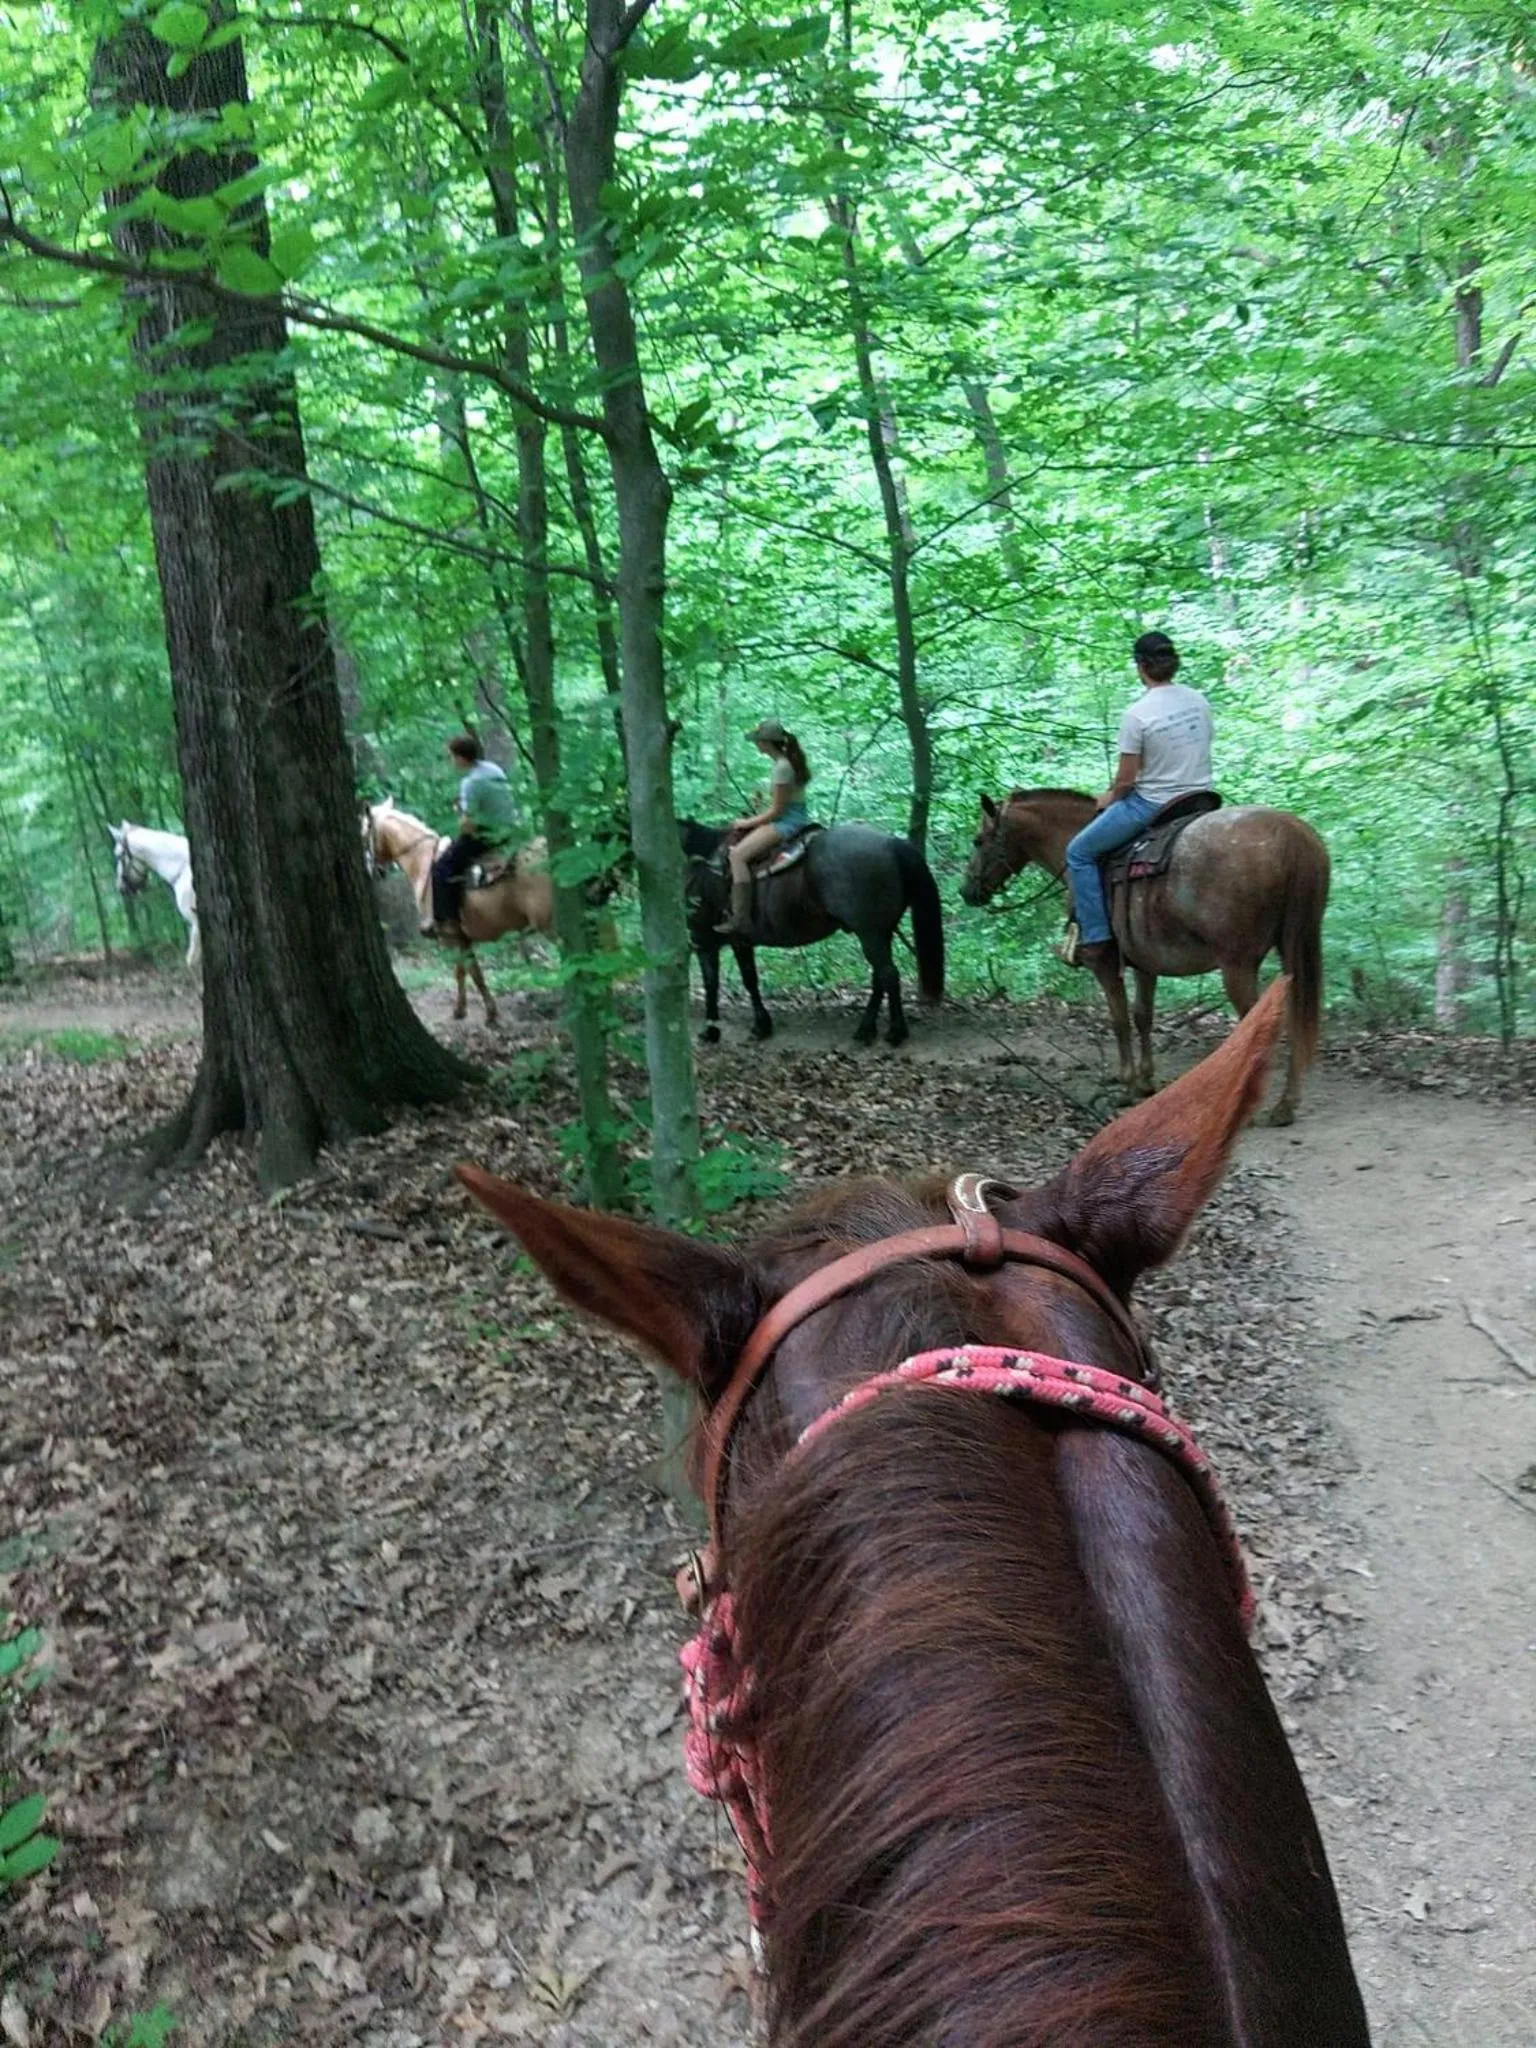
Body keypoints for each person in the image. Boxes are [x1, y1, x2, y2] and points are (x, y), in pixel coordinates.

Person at [1064, 632, 1213, 967]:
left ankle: (1096, 938)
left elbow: (1127, 781)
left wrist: (1108, 798)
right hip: (1201, 797)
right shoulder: (1199, 700)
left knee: (1078, 852)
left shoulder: (1137, 715)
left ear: (1141, 666)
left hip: (1153, 804)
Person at [716, 717, 812, 935]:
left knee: (737, 856)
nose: (756, 744)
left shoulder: (782, 768)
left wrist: (746, 822)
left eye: (758, 740)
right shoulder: (786, 764)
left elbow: (778, 811)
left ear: (767, 742)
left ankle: (740, 918)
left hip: (787, 822)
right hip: (791, 817)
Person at [426, 733, 520, 935]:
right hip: (511, 829)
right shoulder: (493, 769)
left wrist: (460, 814)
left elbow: (468, 826)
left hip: (487, 836)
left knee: (441, 869)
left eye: (451, 756)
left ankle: (447, 921)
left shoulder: (470, 783)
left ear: (460, 758)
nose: (451, 761)